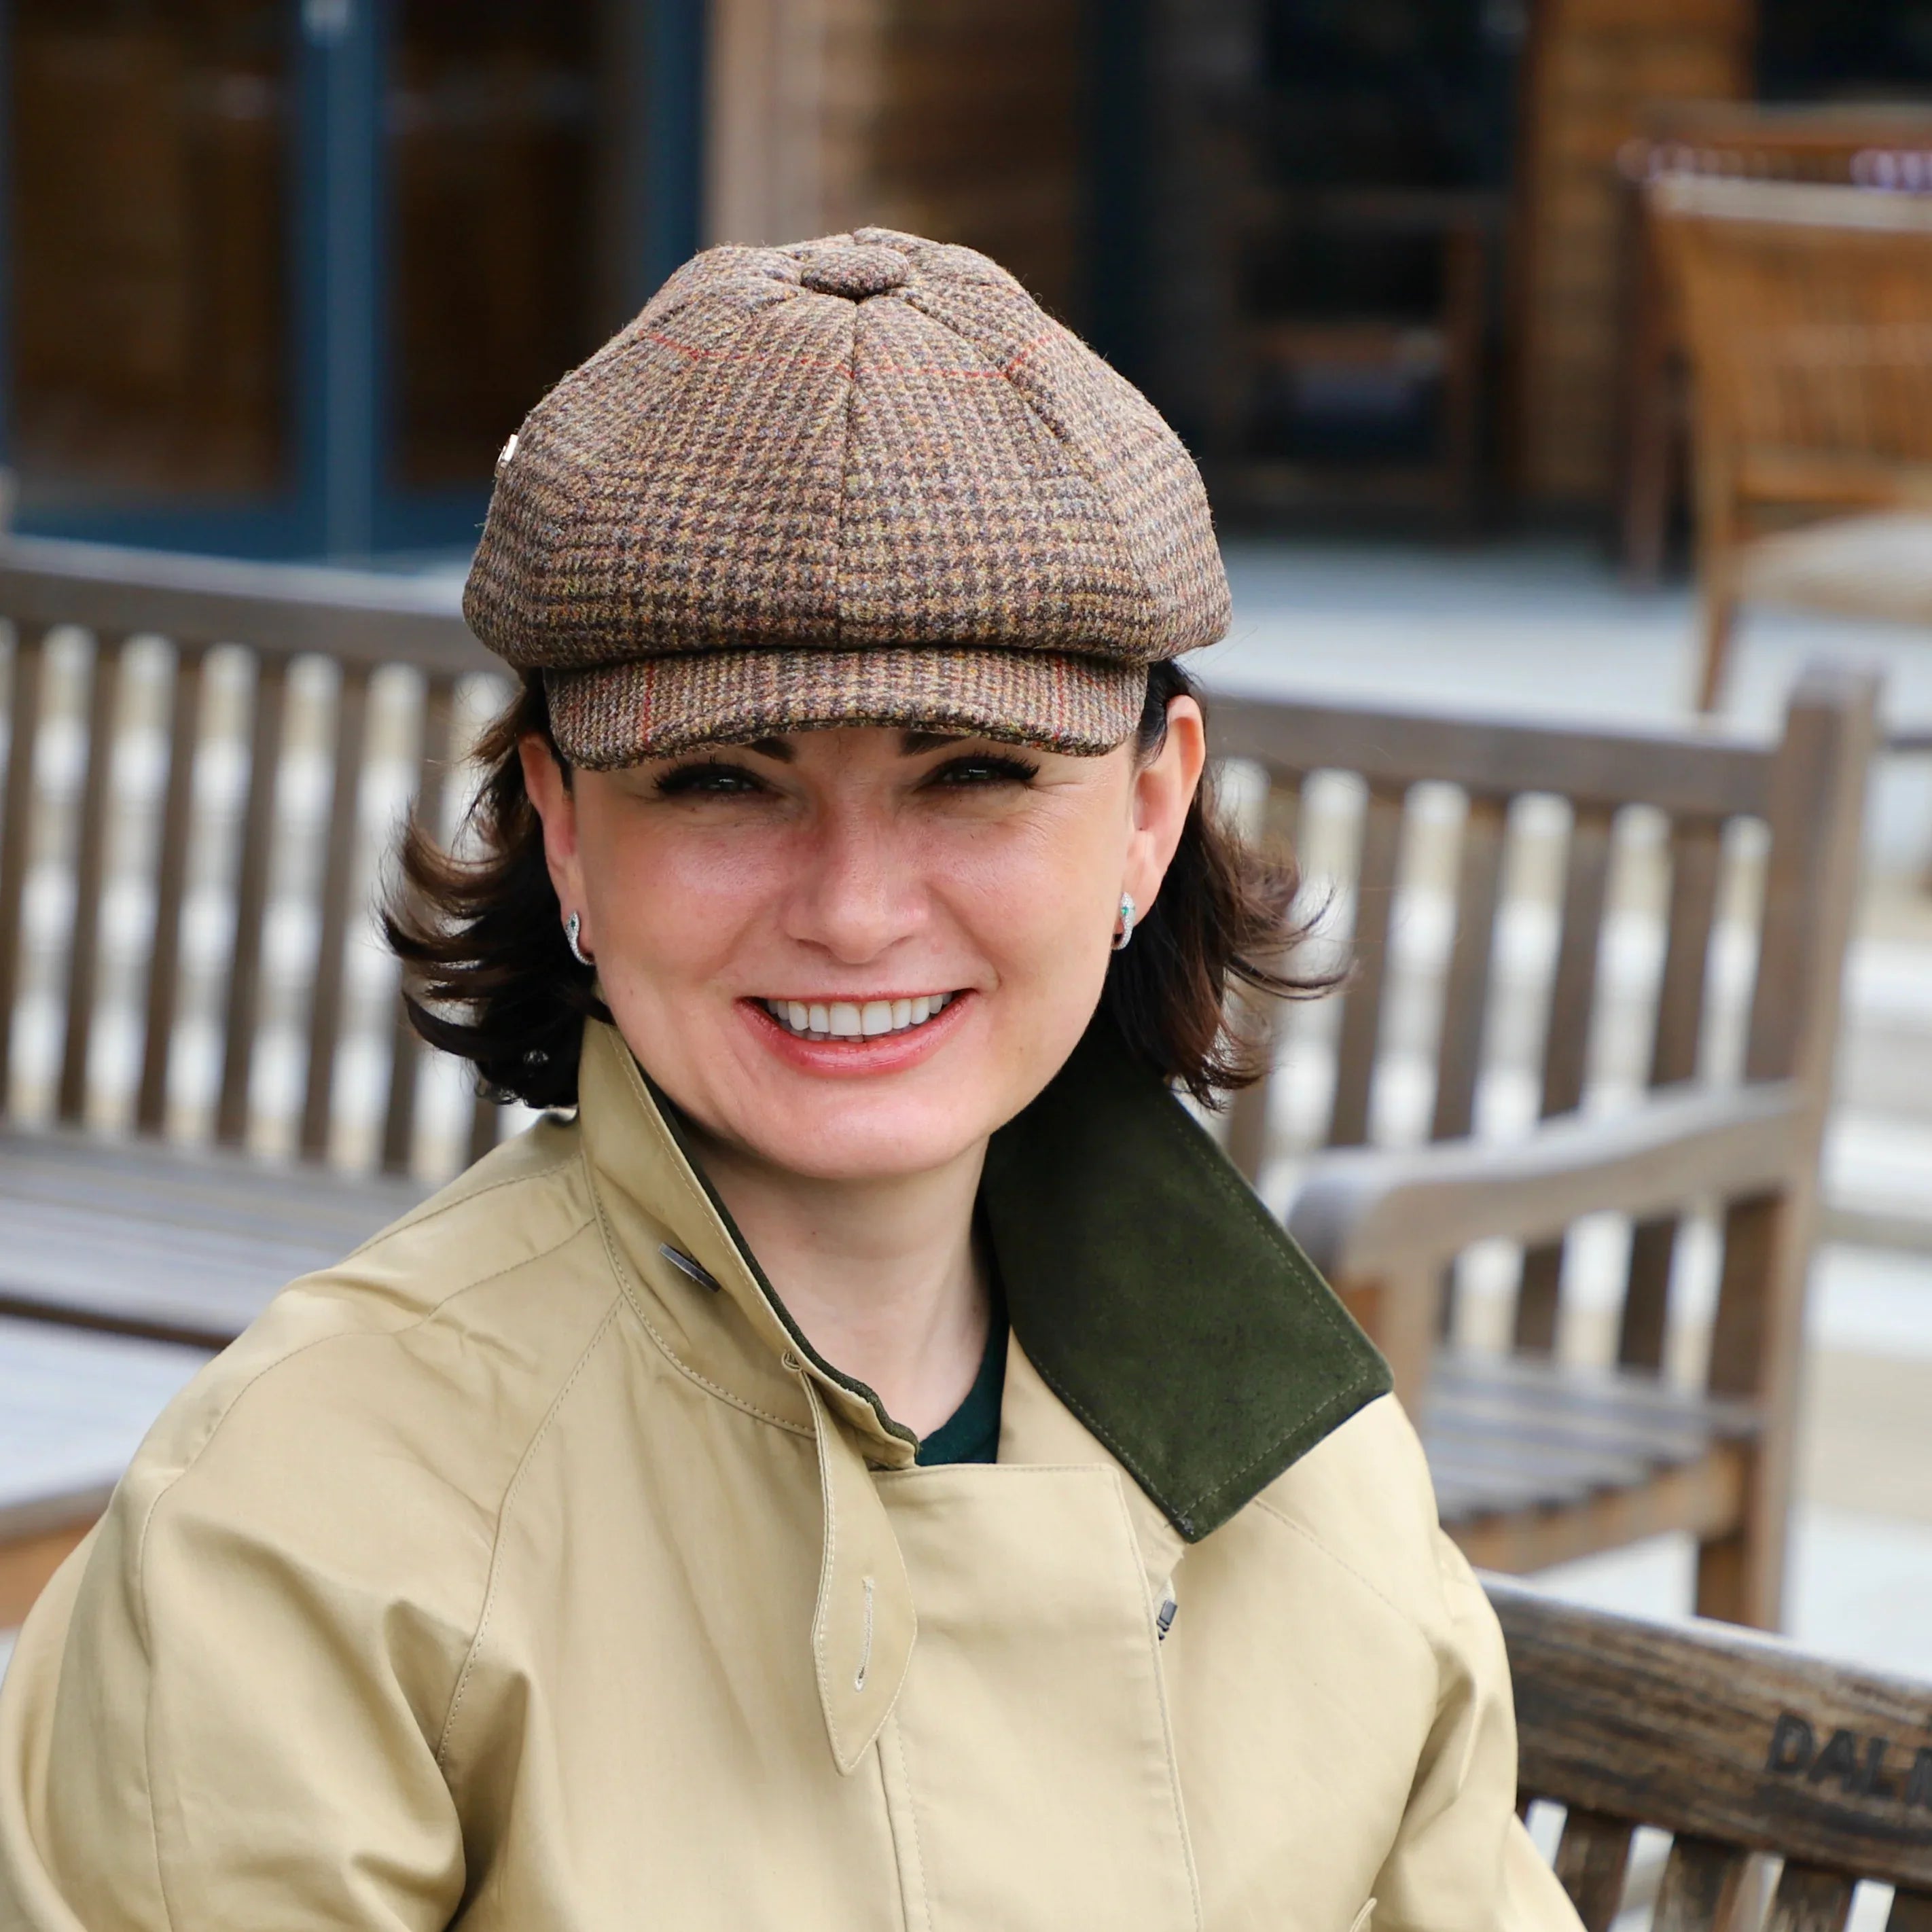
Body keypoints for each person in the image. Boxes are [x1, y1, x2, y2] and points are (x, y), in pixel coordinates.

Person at [0, 230, 1580, 1931]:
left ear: (1150, 809)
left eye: (972, 772)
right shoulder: (303, 1517)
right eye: (723, 782)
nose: (853, 910)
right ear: (561, 823)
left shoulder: (1315, 1469)